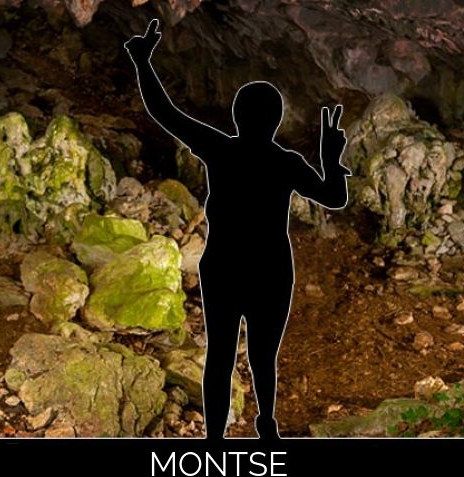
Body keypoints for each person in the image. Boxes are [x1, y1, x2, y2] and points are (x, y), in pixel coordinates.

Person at [126, 20, 350, 441]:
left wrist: (143, 62)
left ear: (236, 117)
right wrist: (331, 157)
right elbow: (334, 197)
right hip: (271, 268)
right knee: (264, 356)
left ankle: (214, 440)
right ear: (277, 120)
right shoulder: (285, 162)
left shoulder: (220, 149)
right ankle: (267, 429)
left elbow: (165, 113)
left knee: (220, 354)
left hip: (224, 264)